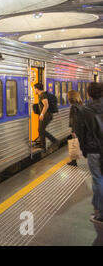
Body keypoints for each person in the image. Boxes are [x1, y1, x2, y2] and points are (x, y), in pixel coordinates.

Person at [74, 82, 103, 223]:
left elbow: (81, 133)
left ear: (89, 94)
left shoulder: (85, 110)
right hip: (95, 150)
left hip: (94, 151)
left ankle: (100, 213)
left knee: (98, 180)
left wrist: (84, 150)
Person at [33, 83, 58, 150]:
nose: (34, 90)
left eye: (34, 89)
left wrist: (42, 114)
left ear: (37, 89)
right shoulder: (43, 94)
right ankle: (42, 145)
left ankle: (54, 141)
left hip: (46, 115)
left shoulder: (42, 95)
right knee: (41, 129)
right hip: (47, 115)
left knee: (40, 129)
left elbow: (46, 105)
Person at [67, 90, 84, 166]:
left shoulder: (74, 107)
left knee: (74, 144)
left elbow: (74, 120)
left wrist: (73, 131)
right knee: (79, 143)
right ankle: (73, 161)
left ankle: (74, 161)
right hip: (82, 127)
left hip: (77, 128)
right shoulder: (80, 105)